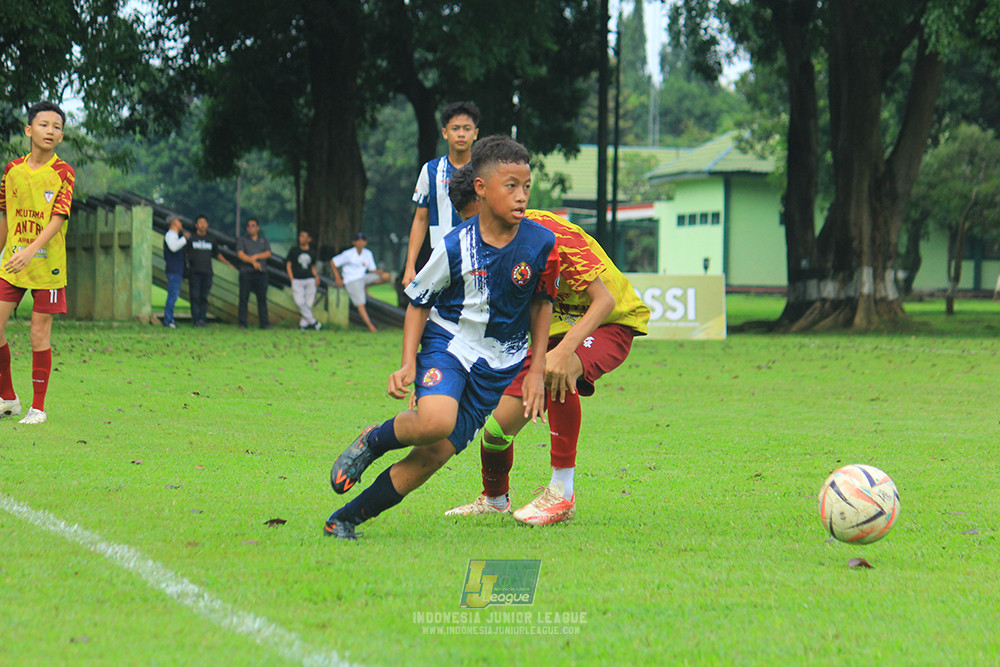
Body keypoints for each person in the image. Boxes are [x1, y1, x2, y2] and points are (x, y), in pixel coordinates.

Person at [323, 136, 560, 540]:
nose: (522, 196)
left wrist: (536, 368)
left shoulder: (541, 243)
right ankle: (373, 440)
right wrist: (408, 363)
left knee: (431, 458)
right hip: (450, 345)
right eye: (511, 186)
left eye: (526, 186)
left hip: (497, 366)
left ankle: (344, 520)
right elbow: (418, 302)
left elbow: (542, 304)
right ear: (481, 188)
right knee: (435, 421)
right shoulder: (454, 245)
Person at [443, 163, 651, 526]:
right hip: (552, 334)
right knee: (496, 432)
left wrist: (562, 352)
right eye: (471, 226)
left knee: (559, 369)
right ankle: (494, 500)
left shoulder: (548, 234)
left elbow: (604, 302)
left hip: (611, 321)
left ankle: (562, 494)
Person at [0, 101, 75, 425]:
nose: (50, 131)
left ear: (61, 137)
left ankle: (38, 408)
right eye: (44, 125)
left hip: (48, 266)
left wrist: (31, 251)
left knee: (38, 333)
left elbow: (58, 218)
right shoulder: (12, 170)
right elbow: (5, 216)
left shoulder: (64, 172)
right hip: (12, 264)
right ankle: (8, 398)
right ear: (29, 130)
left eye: (57, 127)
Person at [401, 101, 481, 294]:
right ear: (445, 132)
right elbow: (421, 219)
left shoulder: (484, 170)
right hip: (440, 254)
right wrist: (410, 266)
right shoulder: (430, 170)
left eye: (467, 129)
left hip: (479, 253)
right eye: (455, 128)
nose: (461, 134)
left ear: (475, 133)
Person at [330, 232, 390, 333]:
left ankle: (365, 287)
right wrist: (338, 278)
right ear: (354, 242)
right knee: (361, 304)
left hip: (363, 278)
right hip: (352, 280)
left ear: (365, 242)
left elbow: (371, 269)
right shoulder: (348, 254)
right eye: (358, 241)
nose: (360, 243)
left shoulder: (368, 253)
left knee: (386, 276)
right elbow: (333, 262)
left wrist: (379, 272)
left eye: (362, 241)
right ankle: (371, 327)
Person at [186, 214, 233, 327]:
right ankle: (196, 320)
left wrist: (228, 263)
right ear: (196, 225)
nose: (202, 225)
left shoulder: (211, 239)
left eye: (204, 223)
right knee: (195, 296)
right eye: (200, 223)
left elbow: (217, 254)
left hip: (207, 272)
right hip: (194, 272)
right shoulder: (191, 238)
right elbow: (186, 253)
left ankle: (203, 319)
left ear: (207, 225)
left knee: (204, 297)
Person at [236, 218, 272, 329]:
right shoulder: (242, 240)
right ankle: (242, 323)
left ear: (258, 228)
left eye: (253, 226)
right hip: (246, 273)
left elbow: (268, 253)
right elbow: (240, 254)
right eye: (249, 226)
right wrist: (252, 262)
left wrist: (256, 256)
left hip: (261, 273)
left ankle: (264, 323)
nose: (251, 228)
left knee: (262, 299)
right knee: (244, 298)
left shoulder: (264, 240)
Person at [286, 229, 321, 331]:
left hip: (310, 279)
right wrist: (291, 278)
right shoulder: (294, 250)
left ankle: (303, 325)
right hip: (297, 279)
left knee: (309, 303)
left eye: (303, 236)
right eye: (300, 236)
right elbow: (288, 264)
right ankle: (314, 322)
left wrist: (316, 277)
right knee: (300, 302)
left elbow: (312, 266)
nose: (301, 238)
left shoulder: (312, 252)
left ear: (309, 239)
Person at [162, 216, 188, 328]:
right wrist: (185, 239)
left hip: (176, 269)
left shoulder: (174, 235)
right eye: (178, 221)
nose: (180, 223)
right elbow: (173, 247)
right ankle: (168, 320)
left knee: (173, 294)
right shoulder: (171, 235)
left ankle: (169, 319)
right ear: (173, 223)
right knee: (173, 295)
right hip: (174, 269)